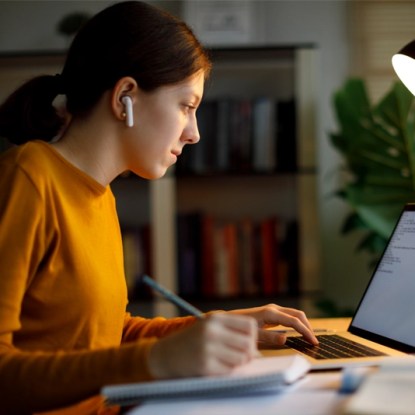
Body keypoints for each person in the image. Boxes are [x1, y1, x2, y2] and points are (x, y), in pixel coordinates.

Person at [0, 2, 318, 414]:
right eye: (187, 106)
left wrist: (218, 328)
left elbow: (107, 335)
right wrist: (156, 361)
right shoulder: (29, 178)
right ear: (125, 97)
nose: (195, 134)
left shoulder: (98, 192)